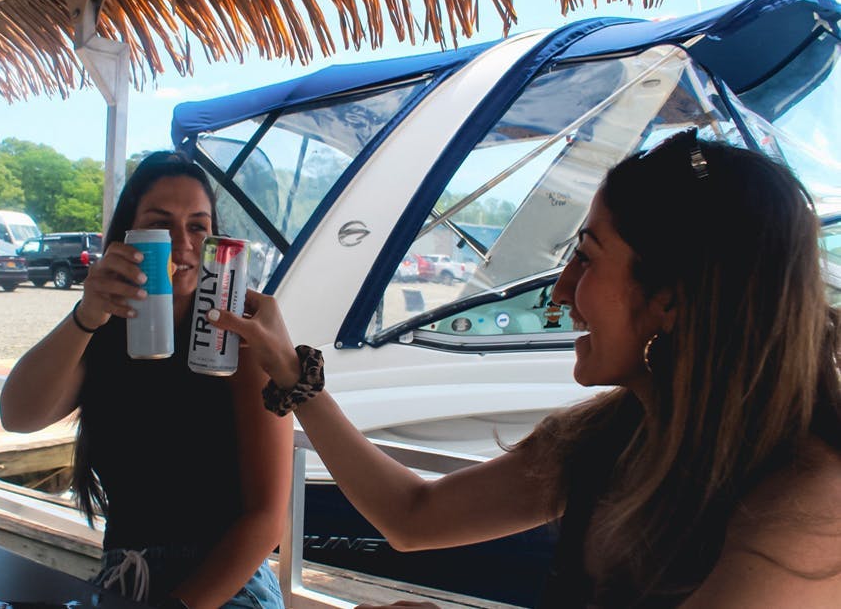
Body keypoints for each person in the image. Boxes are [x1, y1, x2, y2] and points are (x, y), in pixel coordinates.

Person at [208, 131, 841, 608]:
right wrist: (294, 375)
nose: (560, 292)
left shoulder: (806, 506)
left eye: (586, 260)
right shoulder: (606, 439)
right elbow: (414, 514)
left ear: (672, 299)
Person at [0, 152, 292, 609]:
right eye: (161, 224)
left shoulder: (242, 336)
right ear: (129, 237)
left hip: (226, 588)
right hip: (125, 581)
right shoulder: (102, 333)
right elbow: (17, 415)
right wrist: (86, 315)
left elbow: (267, 518)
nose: (182, 244)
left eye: (198, 226)